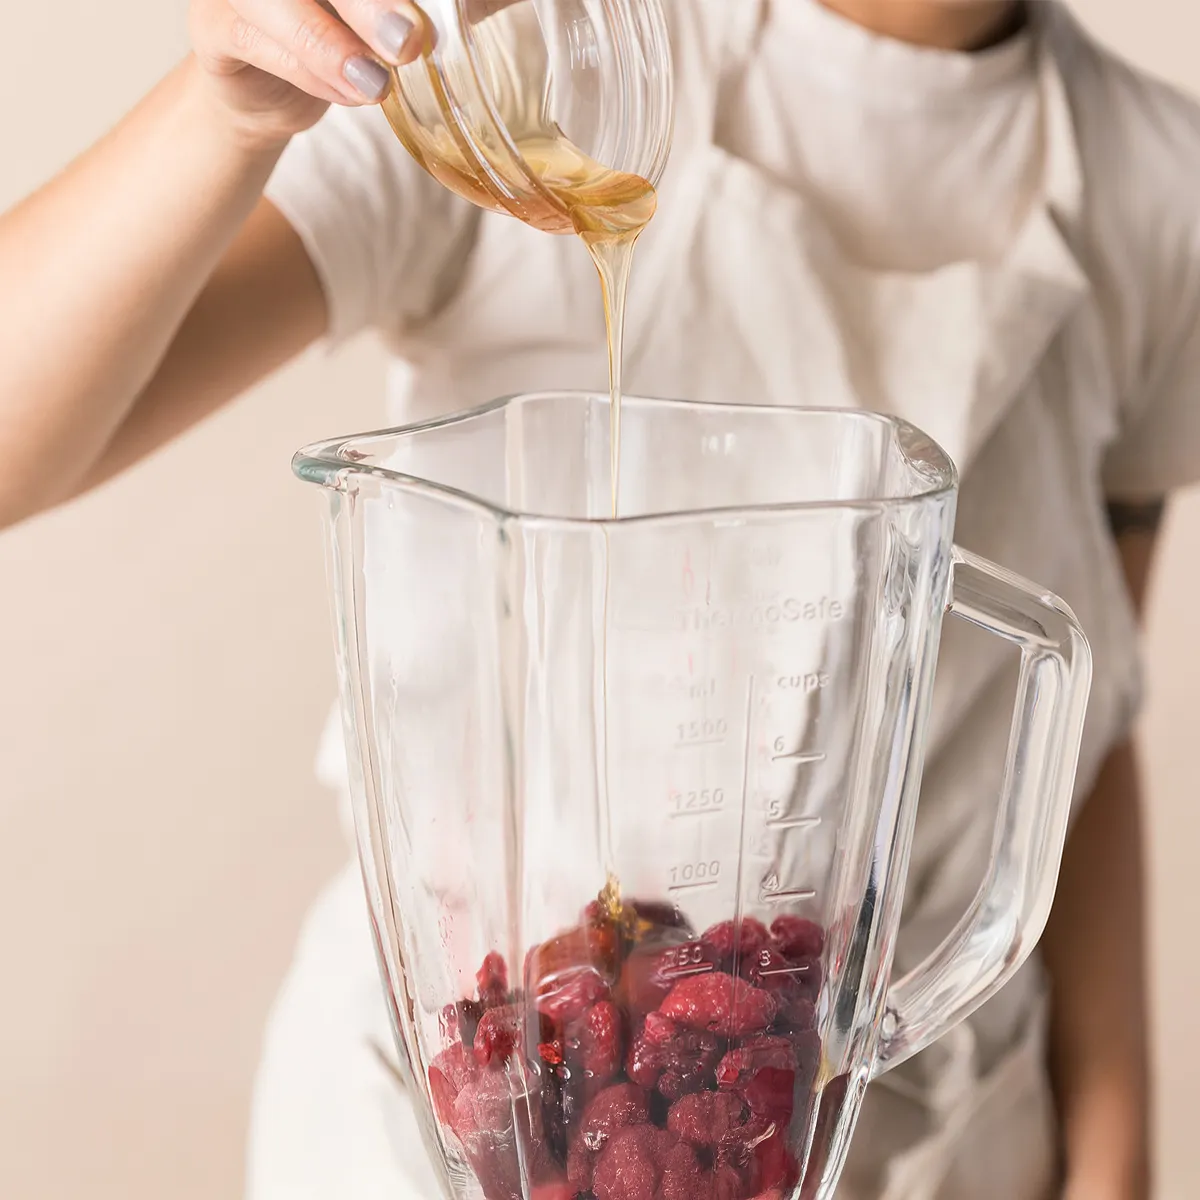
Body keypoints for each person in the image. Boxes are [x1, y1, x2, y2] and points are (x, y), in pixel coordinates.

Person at [0, 0, 1192, 1195]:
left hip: (906, 1137)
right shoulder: (518, 59)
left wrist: (1115, 1154)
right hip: (468, 1117)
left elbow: (1073, 729)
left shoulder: (1158, 188)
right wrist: (224, 106)